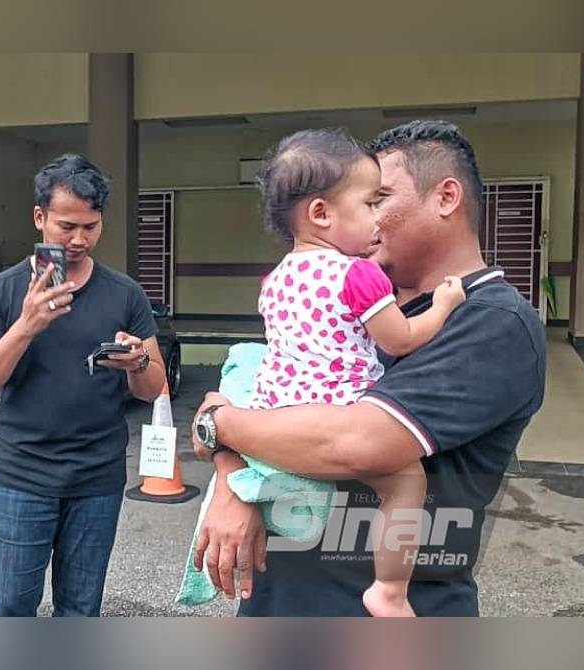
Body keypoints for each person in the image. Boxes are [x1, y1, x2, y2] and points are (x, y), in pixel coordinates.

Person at [191, 120, 547, 616]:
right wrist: (233, 479)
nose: (370, 219)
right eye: (366, 202)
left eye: (379, 199)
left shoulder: (493, 323)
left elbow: (350, 443)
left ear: (446, 198)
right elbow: (255, 387)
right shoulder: (354, 298)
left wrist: (221, 426)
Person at [229, 128, 466, 616]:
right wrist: (442, 307)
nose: (378, 218)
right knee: (407, 483)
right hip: (333, 410)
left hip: (278, 411)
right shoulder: (357, 274)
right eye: (370, 203)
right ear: (321, 213)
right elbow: (399, 338)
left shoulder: (273, 280)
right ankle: (389, 590)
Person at [0, 153, 167, 616]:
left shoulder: (125, 294)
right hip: (24, 475)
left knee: (80, 609)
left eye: (90, 227)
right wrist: (26, 325)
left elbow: (153, 389)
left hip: (98, 477)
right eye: (66, 226)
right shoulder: (1, 291)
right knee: (12, 607)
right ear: (40, 218)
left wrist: (136, 361)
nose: (78, 240)